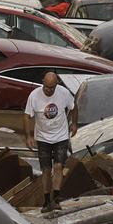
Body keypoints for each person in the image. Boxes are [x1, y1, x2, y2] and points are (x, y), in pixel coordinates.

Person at [24, 72, 77, 212]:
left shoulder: (64, 93)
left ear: (56, 85)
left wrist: (74, 124)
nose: (48, 90)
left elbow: (73, 106)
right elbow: (26, 116)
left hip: (60, 136)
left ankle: (56, 198)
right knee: (46, 170)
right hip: (43, 138)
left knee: (58, 166)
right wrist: (29, 136)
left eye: (52, 88)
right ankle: (47, 201)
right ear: (43, 82)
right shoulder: (34, 96)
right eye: (46, 87)